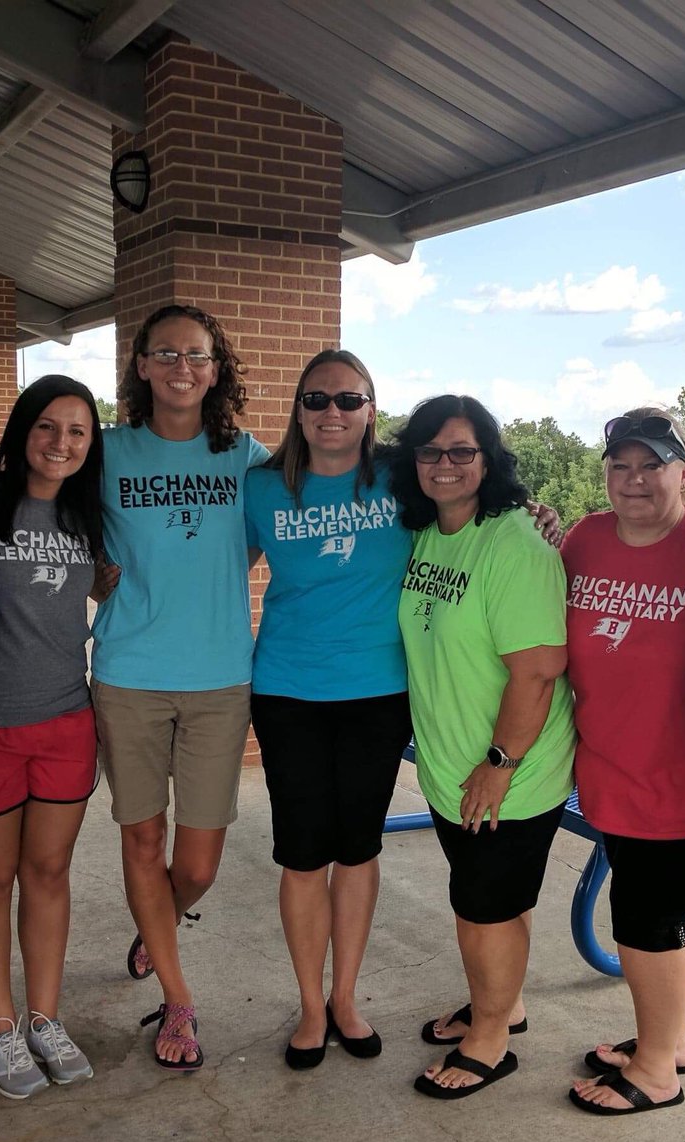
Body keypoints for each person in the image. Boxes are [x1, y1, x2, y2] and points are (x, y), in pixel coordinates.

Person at [92, 304, 269, 1070]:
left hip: (219, 678)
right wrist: (94, 575)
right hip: (128, 674)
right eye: (165, 353)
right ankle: (178, 998)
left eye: (196, 355)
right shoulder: (106, 453)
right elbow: (61, 528)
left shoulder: (248, 459)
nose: (181, 367)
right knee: (141, 838)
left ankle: (156, 921)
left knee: (196, 864)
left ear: (216, 368)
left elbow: (293, 524)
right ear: (141, 366)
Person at [392, 394, 575, 1099]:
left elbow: (538, 670)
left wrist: (499, 766)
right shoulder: (428, 532)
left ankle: (490, 1040)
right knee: (494, 900)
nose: (445, 464)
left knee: (484, 910)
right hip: (452, 766)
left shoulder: (513, 543)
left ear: (488, 459)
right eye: (430, 450)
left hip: (508, 773)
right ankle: (503, 1004)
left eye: (462, 451)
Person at [244, 349, 413, 1068]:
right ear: (298, 409)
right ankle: (310, 1006)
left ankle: (346, 997)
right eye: (316, 399)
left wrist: (538, 519)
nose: (332, 413)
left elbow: (472, 511)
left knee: (359, 848)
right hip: (289, 691)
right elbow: (212, 568)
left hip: (378, 690)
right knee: (303, 853)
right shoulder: (262, 487)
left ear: (372, 409)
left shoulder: (403, 479)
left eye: (349, 399)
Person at [0, 376, 104, 1099]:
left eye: (77, 431)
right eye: (46, 426)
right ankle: (1, 1030)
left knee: (47, 873)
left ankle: (44, 1018)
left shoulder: (87, 511)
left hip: (67, 719)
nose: (60, 443)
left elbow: (115, 582)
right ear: (21, 429)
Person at [561, 408, 685, 1116]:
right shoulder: (586, 538)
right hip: (611, 774)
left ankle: (655, 1074)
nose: (634, 479)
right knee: (670, 922)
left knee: (645, 928)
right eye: (620, 465)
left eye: (653, 465)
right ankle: (669, 1040)